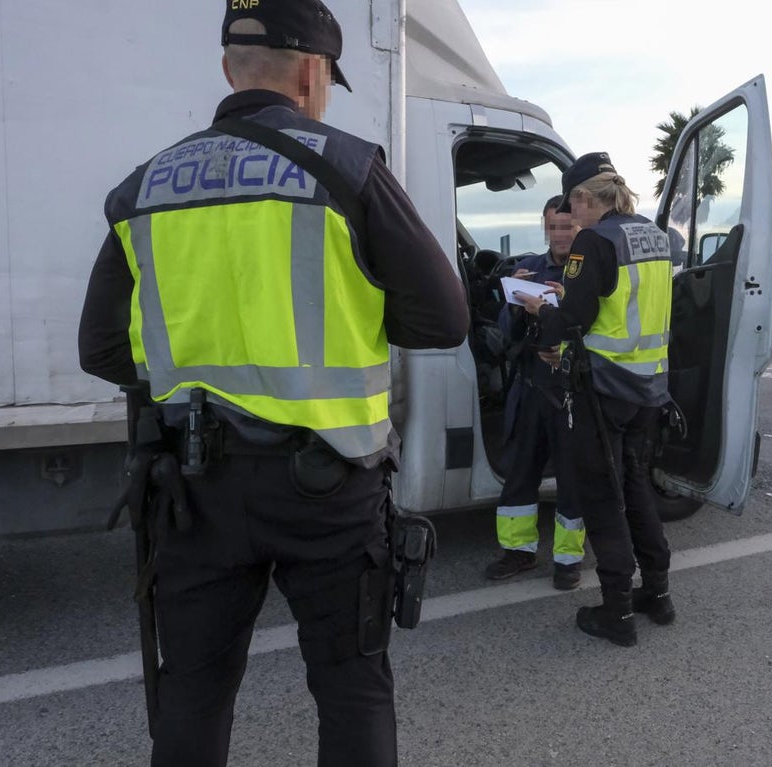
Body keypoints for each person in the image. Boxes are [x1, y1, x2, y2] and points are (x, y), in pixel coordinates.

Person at [77, 2, 468, 765]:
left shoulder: (144, 188)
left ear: (230, 69)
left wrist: (188, 366)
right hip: (327, 486)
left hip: (193, 487)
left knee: (192, 692)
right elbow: (445, 316)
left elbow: (100, 346)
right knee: (352, 689)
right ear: (313, 72)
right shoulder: (346, 168)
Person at [514, 153, 674, 648]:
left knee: (604, 500)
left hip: (602, 389)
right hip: (648, 387)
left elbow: (572, 320)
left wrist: (540, 306)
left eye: (572, 206)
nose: (571, 218)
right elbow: (620, 300)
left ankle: (618, 613)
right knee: (636, 487)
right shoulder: (653, 235)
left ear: (584, 198)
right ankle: (659, 595)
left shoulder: (594, 240)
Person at [484, 195, 584, 590]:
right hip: (530, 388)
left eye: (568, 227)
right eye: (553, 227)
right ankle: (517, 552)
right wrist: (511, 304)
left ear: (581, 228)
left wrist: (566, 303)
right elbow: (502, 338)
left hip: (570, 392)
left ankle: (568, 560)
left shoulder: (587, 275)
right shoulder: (530, 270)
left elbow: (595, 332)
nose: (560, 235)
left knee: (572, 480)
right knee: (519, 473)